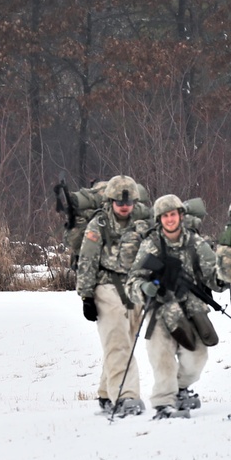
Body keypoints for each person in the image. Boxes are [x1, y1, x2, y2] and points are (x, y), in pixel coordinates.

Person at [127, 194, 223, 419]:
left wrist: (224, 276)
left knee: (197, 357)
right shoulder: (150, 244)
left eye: (173, 214)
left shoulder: (195, 242)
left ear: (181, 215)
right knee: (162, 355)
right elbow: (133, 280)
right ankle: (164, 403)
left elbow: (212, 274)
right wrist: (145, 288)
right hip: (159, 306)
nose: (170, 219)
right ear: (159, 219)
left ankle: (180, 390)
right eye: (165, 216)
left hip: (190, 305)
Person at [75, 175, 149, 417]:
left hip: (136, 287)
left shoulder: (144, 219)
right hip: (106, 285)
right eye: (119, 201)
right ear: (111, 200)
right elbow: (87, 259)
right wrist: (86, 296)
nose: (124, 206)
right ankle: (126, 397)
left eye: (128, 201)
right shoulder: (99, 224)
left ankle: (106, 394)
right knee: (117, 341)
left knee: (124, 341)